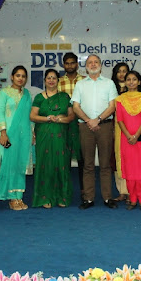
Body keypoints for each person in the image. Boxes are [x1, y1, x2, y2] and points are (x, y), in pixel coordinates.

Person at [71, 54, 119, 210]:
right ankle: (88, 198)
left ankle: (107, 197)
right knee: (88, 165)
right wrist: (88, 120)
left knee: (105, 164)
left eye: (96, 62)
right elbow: (75, 107)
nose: (93, 64)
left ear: (100, 65)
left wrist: (97, 119)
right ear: (86, 67)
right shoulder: (80, 84)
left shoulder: (109, 83)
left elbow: (112, 106)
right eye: (90, 62)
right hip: (85, 127)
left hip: (104, 126)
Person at [30, 69, 75, 208]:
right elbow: (32, 116)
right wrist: (47, 118)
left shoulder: (65, 97)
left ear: (58, 81)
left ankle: (62, 196)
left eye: (54, 78)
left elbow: (72, 116)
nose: (51, 80)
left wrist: (62, 119)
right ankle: (45, 198)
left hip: (61, 136)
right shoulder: (39, 98)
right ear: (44, 81)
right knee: (46, 165)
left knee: (61, 165)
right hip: (44, 136)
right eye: (48, 78)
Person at [115, 71, 141, 211]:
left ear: (139, 82)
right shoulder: (120, 100)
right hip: (126, 139)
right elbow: (120, 120)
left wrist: (136, 135)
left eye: (134, 79)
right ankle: (132, 200)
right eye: (128, 79)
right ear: (125, 82)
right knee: (129, 171)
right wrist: (128, 136)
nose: (131, 82)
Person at [0, 66, 33, 211]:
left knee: (20, 165)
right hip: (9, 135)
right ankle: (12, 198)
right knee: (10, 165)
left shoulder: (27, 94)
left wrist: (32, 133)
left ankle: (19, 196)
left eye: (23, 76)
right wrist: (3, 133)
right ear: (12, 77)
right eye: (18, 75)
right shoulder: (4, 93)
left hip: (24, 135)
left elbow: (30, 115)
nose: (20, 78)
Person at [58, 52, 86, 202]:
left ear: (77, 64)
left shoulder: (84, 80)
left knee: (83, 158)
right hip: (64, 124)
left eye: (72, 63)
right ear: (64, 65)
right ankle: (64, 190)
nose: (70, 66)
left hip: (81, 123)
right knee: (64, 159)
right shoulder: (58, 81)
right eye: (67, 63)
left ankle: (84, 190)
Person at [111, 62, 130, 202]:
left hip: (131, 128)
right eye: (119, 71)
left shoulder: (136, 90)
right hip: (115, 127)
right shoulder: (111, 89)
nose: (122, 74)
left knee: (130, 160)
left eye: (124, 71)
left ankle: (131, 191)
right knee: (117, 159)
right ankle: (121, 191)